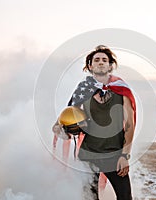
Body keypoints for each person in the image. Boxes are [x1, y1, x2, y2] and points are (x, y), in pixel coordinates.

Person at [52, 45, 136, 200]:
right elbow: (68, 113)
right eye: (96, 60)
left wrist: (125, 155)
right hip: (88, 154)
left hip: (115, 154)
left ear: (111, 65)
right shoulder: (84, 88)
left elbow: (130, 124)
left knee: (125, 197)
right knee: (90, 198)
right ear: (90, 66)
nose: (101, 62)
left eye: (105, 60)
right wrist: (60, 127)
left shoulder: (121, 88)